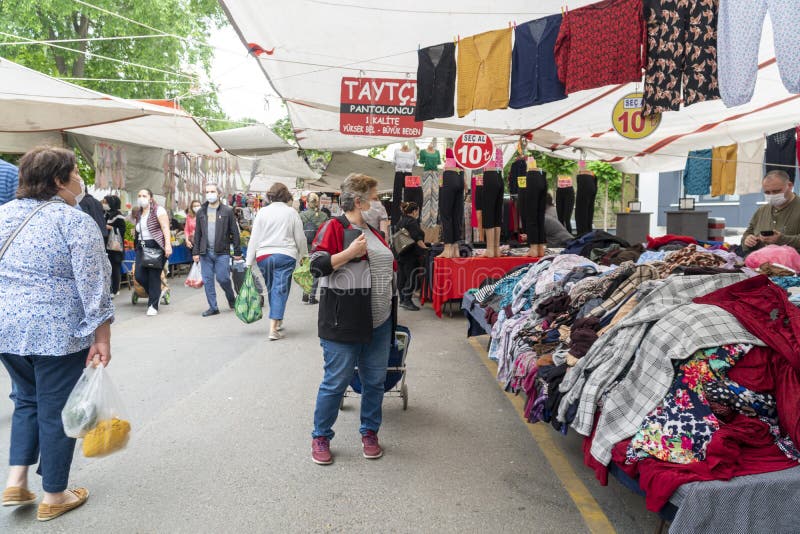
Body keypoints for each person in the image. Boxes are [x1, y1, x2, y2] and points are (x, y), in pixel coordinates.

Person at [0, 146, 113, 522]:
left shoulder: (2, 216)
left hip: (6, 329)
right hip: (55, 331)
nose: (79, 181)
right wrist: (102, 338)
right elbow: (94, 284)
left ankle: (16, 479)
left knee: (27, 399)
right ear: (57, 181)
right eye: (76, 174)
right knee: (55, 409)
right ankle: (55, 494)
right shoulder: (74, 221)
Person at [309, 173, 396, 465]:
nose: (378, 203)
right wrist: (348, 253)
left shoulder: (374, 231)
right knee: (336, 382)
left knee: (374, 382)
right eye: (374, 197)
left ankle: (369, 432)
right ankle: (321, 436)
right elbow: (316, 265)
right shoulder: (334, 227)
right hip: (342, 321)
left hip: (379, 321)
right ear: (358, 201)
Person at [246, 183, 308, 340]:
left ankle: (277, 320)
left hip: (264, 257)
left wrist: (248, 261)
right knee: (280, 289)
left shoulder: (262, 212)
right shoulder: (291, 213)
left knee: (272, 288)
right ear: (286, 196)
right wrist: (304, 256)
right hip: (285, 255)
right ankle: (273, 328)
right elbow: (300, 237)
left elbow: (254, 238)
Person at [192, 182, 241, 317]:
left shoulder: (227, 211)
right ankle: (213, 307)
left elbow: (234, 232)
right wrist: (195, 252)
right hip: (205, 253)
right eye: (207, 192)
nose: (210, 194)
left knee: (223, 278)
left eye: (212, 192)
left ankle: (231, 298)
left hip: (222, 252)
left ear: (219, 194)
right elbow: (198, 233)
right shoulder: (201, 211)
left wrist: (237, 252)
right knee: (208, 280)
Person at [742, 170, 800, 254]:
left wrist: (782, 239)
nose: (772, 195)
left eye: (776, 191)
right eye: (767, 192)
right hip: (762, 263)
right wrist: (748, 240)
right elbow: (748, 233)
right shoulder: (762, 210)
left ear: (790, 186)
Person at [134, 189, 172, 316]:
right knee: (139, 275)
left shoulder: (158, 210)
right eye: (139, 196)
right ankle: (156, 292)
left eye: (144, 196)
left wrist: (167, 245)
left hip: (156, 245)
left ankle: (153, 305)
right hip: (142, 246)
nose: (141, 198)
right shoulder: (138, 212)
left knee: (154, 276)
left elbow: (165, 228)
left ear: (150, 198)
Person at [396, 202, 427, 311]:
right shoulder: (412, 222)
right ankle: (407, 300)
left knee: (402, 277)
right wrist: (426, 249)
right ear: (414, 211)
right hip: (410, 254)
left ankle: (402, 299)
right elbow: (417, 238)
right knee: (412, 277)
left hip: (400, 253)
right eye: (417, 210)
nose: (417, 213)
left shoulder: (401, 221)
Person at [300, 193, 329, 304]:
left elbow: (298, 232)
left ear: (307, 202)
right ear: (318, 203)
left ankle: (305, 292)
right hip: (318, 247)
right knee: (315, 271)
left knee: (305, 270)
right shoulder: (323, 216)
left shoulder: (302, 215)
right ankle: (312, 296)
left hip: (304, 247)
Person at [103, 195, 127, 297]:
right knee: (108, 268)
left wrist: (110, 228)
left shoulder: (118, 215)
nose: (104, 204)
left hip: (115, 247)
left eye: (105, 202)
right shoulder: (105, 214)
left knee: (115, 268)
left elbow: (122, 230)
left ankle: (115, 289)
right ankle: (109, 289)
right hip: (106, 246)